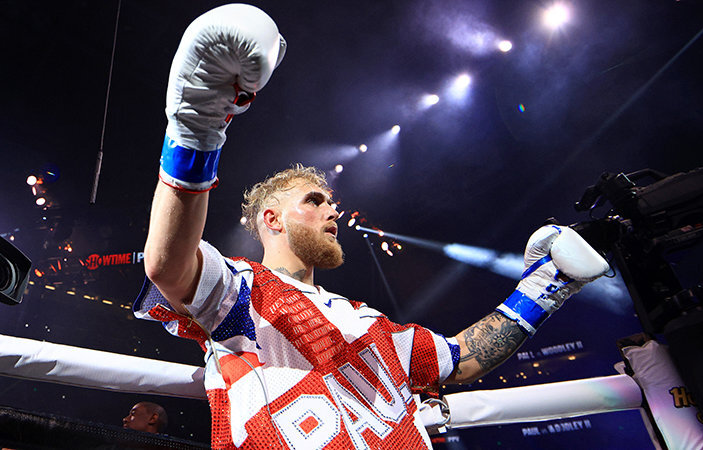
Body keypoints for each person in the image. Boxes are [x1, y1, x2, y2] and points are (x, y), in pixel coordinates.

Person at [134, 4, 609, 449]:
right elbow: (167, 263)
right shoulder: (240, 289)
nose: (332, 212)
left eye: (331, 202)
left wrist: (547, 286)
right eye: (314, 201)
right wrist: (198, 128)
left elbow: (459, 359)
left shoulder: (372, 325)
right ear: (271, 219)